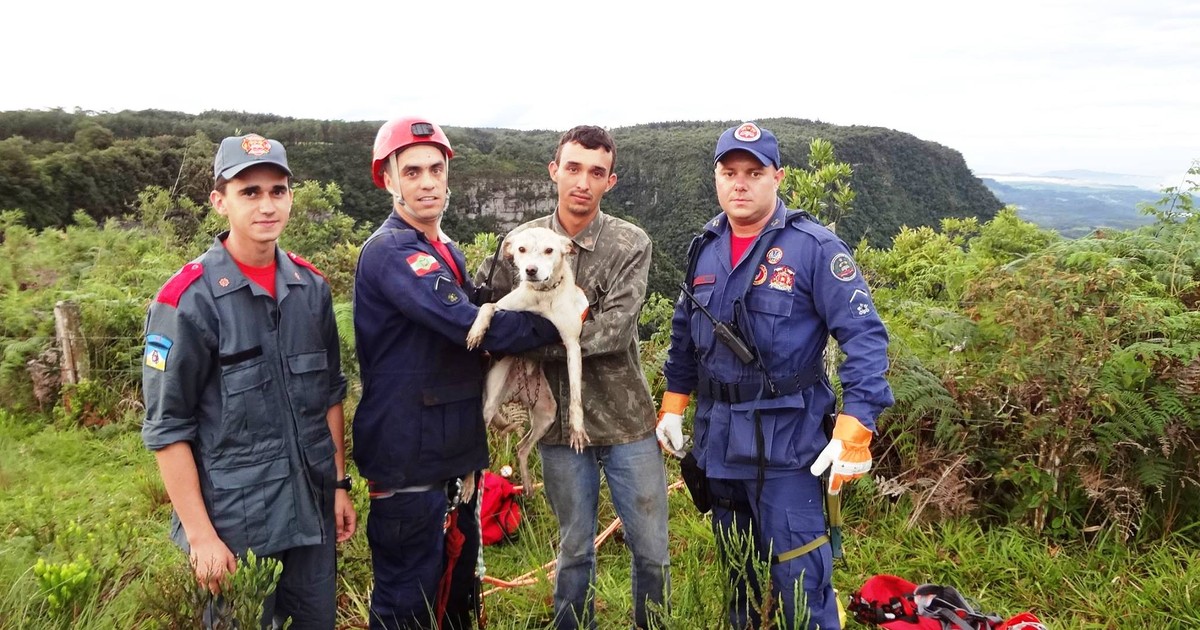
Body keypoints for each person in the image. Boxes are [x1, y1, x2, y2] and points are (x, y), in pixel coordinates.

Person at [656, 122, 894, 629]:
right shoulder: (707, 246)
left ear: (777, 177)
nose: (740, 184)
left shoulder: (814, 248)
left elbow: (865, 337)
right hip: (719, 444)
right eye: (729, 172)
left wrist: (855, 427)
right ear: (716, 177)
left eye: (754, 172)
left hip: (789, 445)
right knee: (737, 576)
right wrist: (673, 405)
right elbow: (683, 336)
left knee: (802, 583)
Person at [352, 116, 561, 630]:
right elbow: (473, 326)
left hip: (451, 455)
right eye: (413, 171)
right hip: (409, 459)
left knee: (455, 600)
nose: (427, 182)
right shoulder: (395, 253)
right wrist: (561, 321)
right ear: (389, 180)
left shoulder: (444, 251)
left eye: (436, 169)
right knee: (407, 606)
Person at [141, 133, 355, 629]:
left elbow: (329, 395)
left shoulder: (311, 288)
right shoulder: (186, 301)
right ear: (220, 202)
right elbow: (167, 427)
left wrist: (340, 484)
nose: (266, 205)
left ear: (291, 198)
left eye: (277, 190)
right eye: (249, 192)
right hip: (235, 525)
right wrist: (201, 537)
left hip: (312, 512)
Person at [475, 125, 671, 630]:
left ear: (611, 181)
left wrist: (532, 338)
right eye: (574, 168)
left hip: (627, 421)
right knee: (575, 549)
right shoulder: (523, 242)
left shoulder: (630, 242)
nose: (583, 181)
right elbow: (489, 303)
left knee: (651, 550)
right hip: (559, 425)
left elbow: (613, 330)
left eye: (597, 172)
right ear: (555, 171)